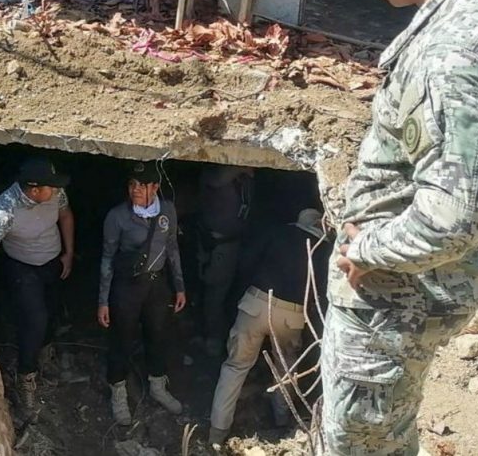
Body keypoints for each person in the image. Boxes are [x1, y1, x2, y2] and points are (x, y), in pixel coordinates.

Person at [315, 0, 478, 455]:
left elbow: (453, 217)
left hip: (391, 302)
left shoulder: (451, 52)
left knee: (361, 444)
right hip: (417, 294)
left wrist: (361, 248)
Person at [0, 157, 75, 418]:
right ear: (34, 190)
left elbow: (66, 216)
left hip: (52, 262)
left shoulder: (54, 192)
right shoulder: (5, 210)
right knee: (35, 319)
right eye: (50, 188)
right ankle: (26, 376)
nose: (56, 191)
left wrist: (69, 252)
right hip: (23, 267)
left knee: (52, 312)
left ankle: (45, 353)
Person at [207, 208, 332, 446]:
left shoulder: (278, 233)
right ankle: (282, 423)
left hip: (255, 304)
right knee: (284, 369)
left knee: (236, 366)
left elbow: (247, 263)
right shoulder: (323, 249)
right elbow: (320, 295)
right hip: (291, 315)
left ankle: (217, 432)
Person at [98, 162, 187, 425]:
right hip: (127, 285)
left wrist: (180, 286)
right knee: (122, 339)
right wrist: (103, 301)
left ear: (155, 187)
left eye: (141, 185)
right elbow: (107, 259)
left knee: (158, 334)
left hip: (157, 285)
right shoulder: (117, 217)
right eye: (132, 185)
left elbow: (172, 248)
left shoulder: (167, 211)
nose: (135, 190)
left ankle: (158, 386)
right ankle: (118, 392)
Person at [195, 165, 254, 356]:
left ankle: (216, 336)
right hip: (217, 244)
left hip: (235, 243)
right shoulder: (214, 174)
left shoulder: (242, 180)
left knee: (228, 293)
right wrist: (241, 167)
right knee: (214, 293)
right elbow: (215, 179)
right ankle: (212, 339)